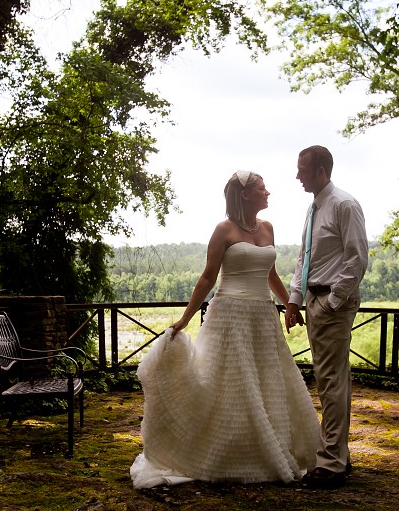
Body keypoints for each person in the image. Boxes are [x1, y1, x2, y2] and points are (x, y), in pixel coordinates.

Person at [129, 170, 320, 489]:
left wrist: (289, 304)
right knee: (230, 384)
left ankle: (268, 445)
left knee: (269, 380)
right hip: (229, 315)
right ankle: (225, 452)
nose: (268, 192)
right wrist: (186, 318)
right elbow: (207, 277)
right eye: (262, 188)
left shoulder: (268, 227)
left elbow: (271, 274)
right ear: (245, 194)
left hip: (262, 315)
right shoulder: (224, 229)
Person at [285, 145, 368, 489]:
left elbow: (357, 258)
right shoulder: (313, 209)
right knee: (330, 380)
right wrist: (294, 300)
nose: (297, 175)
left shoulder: (344, 205)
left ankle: (332, 464)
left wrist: (333, 301)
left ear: (321, 171)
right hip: (314, 301)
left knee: (332, 382)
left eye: (302, 169)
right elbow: (305, 258)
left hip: (332, 303)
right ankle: (339, 456)